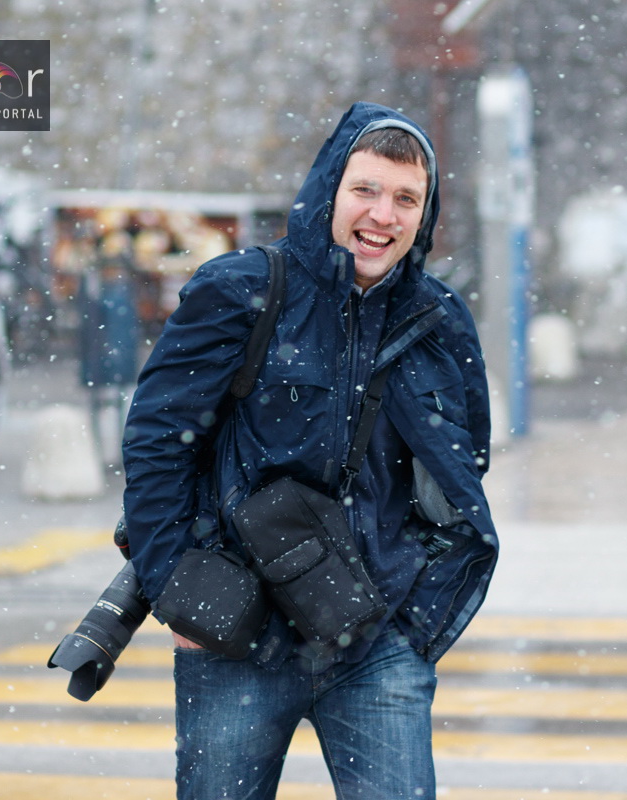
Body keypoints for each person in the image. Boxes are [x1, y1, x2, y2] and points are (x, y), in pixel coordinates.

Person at [121, 102, 498, 799]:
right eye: (367, 190)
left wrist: (413, 627)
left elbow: (463, 469)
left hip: (376, 643)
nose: (383, 215)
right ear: (331, 189)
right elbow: (156, 444)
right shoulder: (241, 291)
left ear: (425, 213)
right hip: (236, 634)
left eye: (405, 198)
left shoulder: (440, 323)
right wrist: (180, 593)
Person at [77, 230, 140, 461]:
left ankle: (113, 453)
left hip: (112, 357)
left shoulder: (116, 293)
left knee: (118, 406)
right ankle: (103, 452)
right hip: (102, 356)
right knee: (104, 406)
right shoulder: (105, 292)